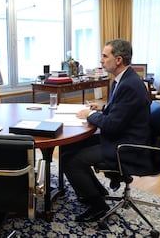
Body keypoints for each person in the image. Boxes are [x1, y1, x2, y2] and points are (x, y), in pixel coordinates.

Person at [61, 39, 152, 222]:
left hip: (126, 144)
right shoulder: (123, 79)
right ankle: (95, 192)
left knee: (72, 161)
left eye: (104, 56)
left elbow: (112, 125)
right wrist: (101, 109)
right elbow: (121, 112)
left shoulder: (129, 84)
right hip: (121, 134)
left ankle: (98, 207)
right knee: (68, 146)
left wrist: (89, 115)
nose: (101, 60)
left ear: (118, 60)